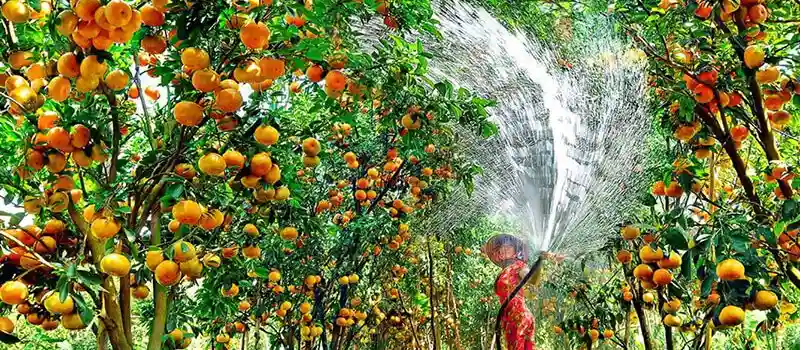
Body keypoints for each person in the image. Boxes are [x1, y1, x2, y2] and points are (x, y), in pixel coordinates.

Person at [484, 234, 562, 350]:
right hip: (512, 319)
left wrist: (540, 261)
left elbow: (532, 279)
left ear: (515, 252)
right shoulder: (504, 272)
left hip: (518, 318)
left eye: (508, 247)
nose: (502, 250)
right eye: (500, 248)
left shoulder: (519, 266)